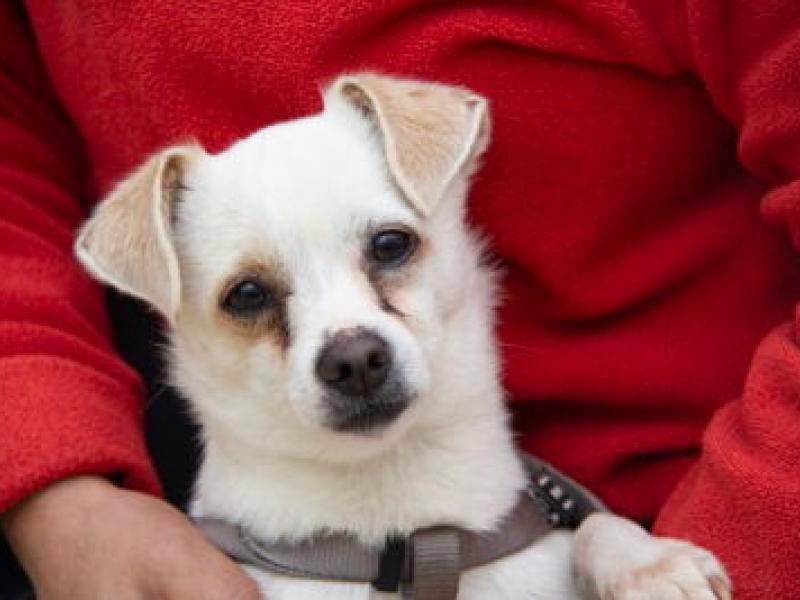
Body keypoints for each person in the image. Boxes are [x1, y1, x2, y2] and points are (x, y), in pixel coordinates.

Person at [1, 2, 799, 599]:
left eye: (389, 249)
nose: (348, 346)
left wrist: (643, 548)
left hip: (681, 493)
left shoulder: (596, 555)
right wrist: (56, 489)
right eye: (249, 297)